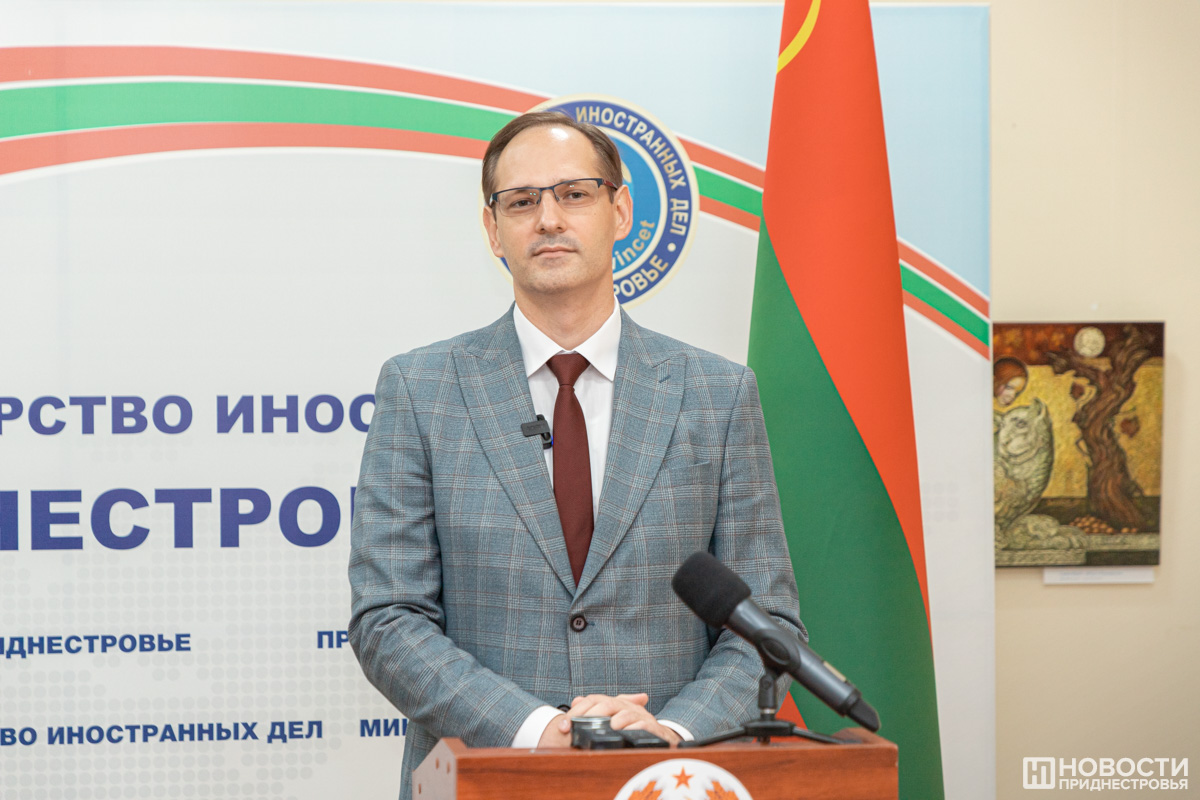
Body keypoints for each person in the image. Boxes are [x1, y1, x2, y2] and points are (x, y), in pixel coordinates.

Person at [348, 111, 803, 799]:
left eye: (574, 194)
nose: (549, 219)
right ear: (492, 229)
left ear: (620, 211)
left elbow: (765, 622)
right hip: (484, 780)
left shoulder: (717, 395)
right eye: (521, 202)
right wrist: (539, 729)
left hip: (670, 783)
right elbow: (387, 618)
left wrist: (669, 734)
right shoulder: (421, 390)